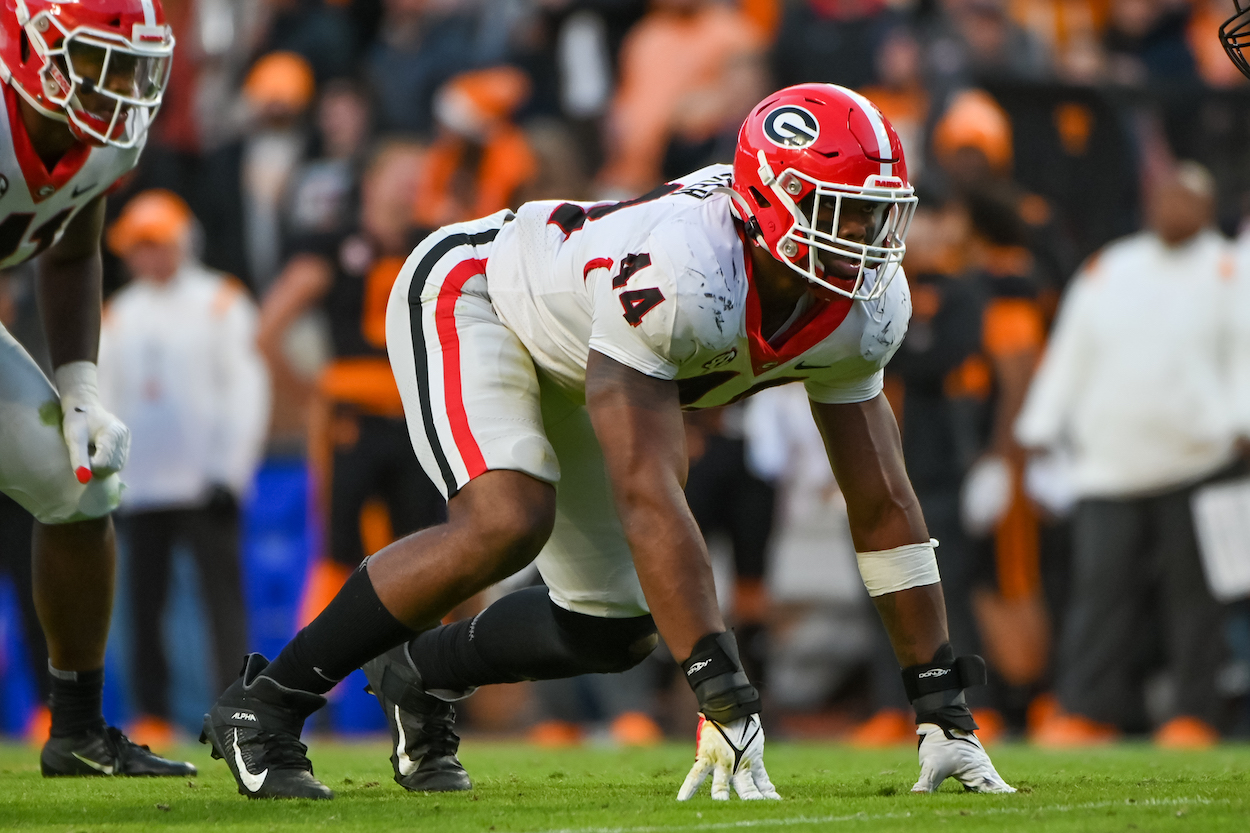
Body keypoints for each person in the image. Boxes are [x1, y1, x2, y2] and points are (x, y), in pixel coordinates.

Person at [201, 83, 1014, 801]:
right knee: (505, 518)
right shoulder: (688, 269)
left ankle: (421, 675)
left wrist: (939, 704)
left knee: (614, 627)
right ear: (770, 200)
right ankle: (267, 704)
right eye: (842, 209)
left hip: (585, 354)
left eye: (877, 210)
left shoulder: (865, 307)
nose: (866, 234)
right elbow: (648, 489)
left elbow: (883, 502)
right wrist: (724, 695)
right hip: (481, 295)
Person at [0, 0, 193, 776]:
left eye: (131, 63)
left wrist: (79, 387)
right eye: (94, 59)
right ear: (24, 48)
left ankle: (77, 730)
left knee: (79, 484)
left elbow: (74, 249)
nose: (120, 84)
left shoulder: (102, 140)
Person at [1016, 162, 1247, 747]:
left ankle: (1194, 714)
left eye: (1187, 199)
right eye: (1165, 197)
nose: (1174, 209)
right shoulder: (1110, 267)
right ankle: (1087, 708)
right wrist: (1041, 428)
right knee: (1100, 593)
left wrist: (1242, 420)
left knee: (1196, 598)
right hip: (1110, 460)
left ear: (1207, 206)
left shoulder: (1230, 269)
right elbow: (1072, 351)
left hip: (1202, 457)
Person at [97, 190, 270, 748]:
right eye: (140, 247)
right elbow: (104, 395)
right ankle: (151, 710)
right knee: (142, 606)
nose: (150, 257)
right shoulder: (118, 312)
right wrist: (109, 476)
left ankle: (238, 705)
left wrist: (232, 470)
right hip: (142, 486)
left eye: (158, 244)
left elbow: (246, 390)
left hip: (206, 482)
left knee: (223, 600)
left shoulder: (221, 300)